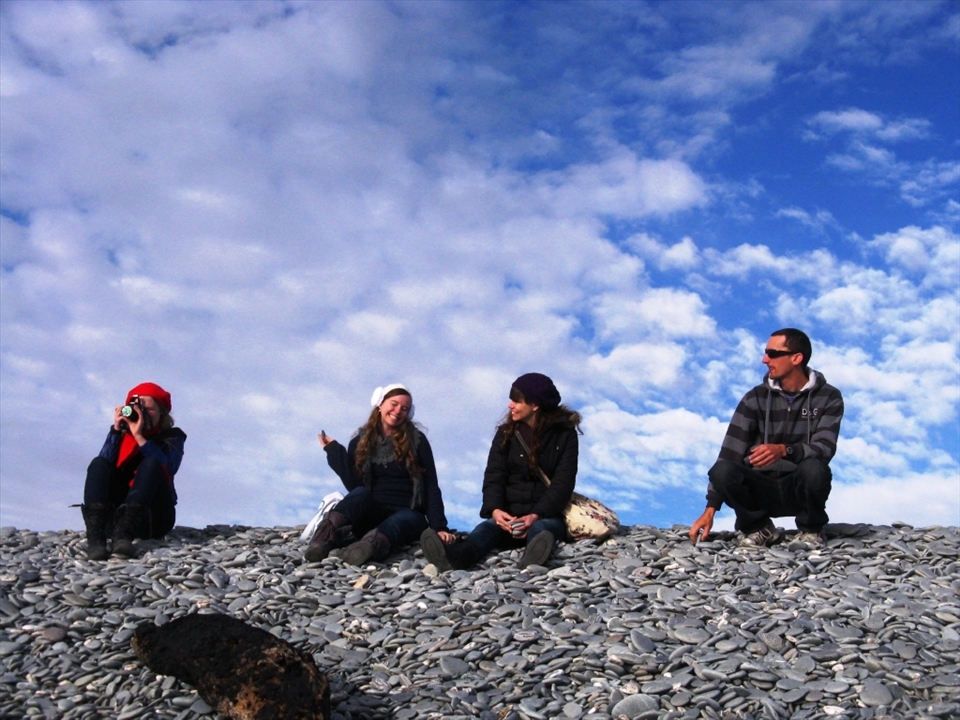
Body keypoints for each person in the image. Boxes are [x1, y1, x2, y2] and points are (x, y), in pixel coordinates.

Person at [689, 328, 843, 549]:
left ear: (796, 358)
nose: (765, 359)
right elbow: (729, 454)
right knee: (721, 470)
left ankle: (812, 531)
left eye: (772, 353)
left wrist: (784, 450)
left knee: (815, 469)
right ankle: (759, 529)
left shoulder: (829, 397)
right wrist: (711, 507)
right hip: (760, 489)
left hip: (798, 488)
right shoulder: (755, 398)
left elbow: (825, 448)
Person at [421, 373, 580, 571]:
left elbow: (563, 483)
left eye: (516, 401)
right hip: (508, 516)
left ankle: (532, 560)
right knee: (484, 531)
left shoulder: (565, 435)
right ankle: (455, 558)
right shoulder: (506, 433)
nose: (510, 405)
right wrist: (496, 511)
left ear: (535, 405)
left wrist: (536, 515)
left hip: (545, 515)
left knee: (543, 530)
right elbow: (494, 477)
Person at [305, 384, 454, 565]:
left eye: (404, 408)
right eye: (394, 404)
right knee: (359, 494)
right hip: (372, 513)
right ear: (379, 404)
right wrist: (334, 451)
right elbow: (355, 485)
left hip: (409, 513)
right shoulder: (360, 442)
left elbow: (431, 484)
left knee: (399, 522)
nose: (398, 411)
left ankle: (367, 548)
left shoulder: (418, 441)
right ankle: (322, 539)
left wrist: (439, 527)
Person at [81, 382, 187, 560]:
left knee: (152, 464)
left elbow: (168, 468)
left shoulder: (173, 437)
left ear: (162, 412)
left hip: (153, 518)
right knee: (98, 463)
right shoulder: (121, 434)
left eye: (149, 409)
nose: (143, 414)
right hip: (112, 521)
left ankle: (124, 535)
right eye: (137, 408)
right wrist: (116, 431)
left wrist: (140, 438)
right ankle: (96, 538)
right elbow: (103, 467)